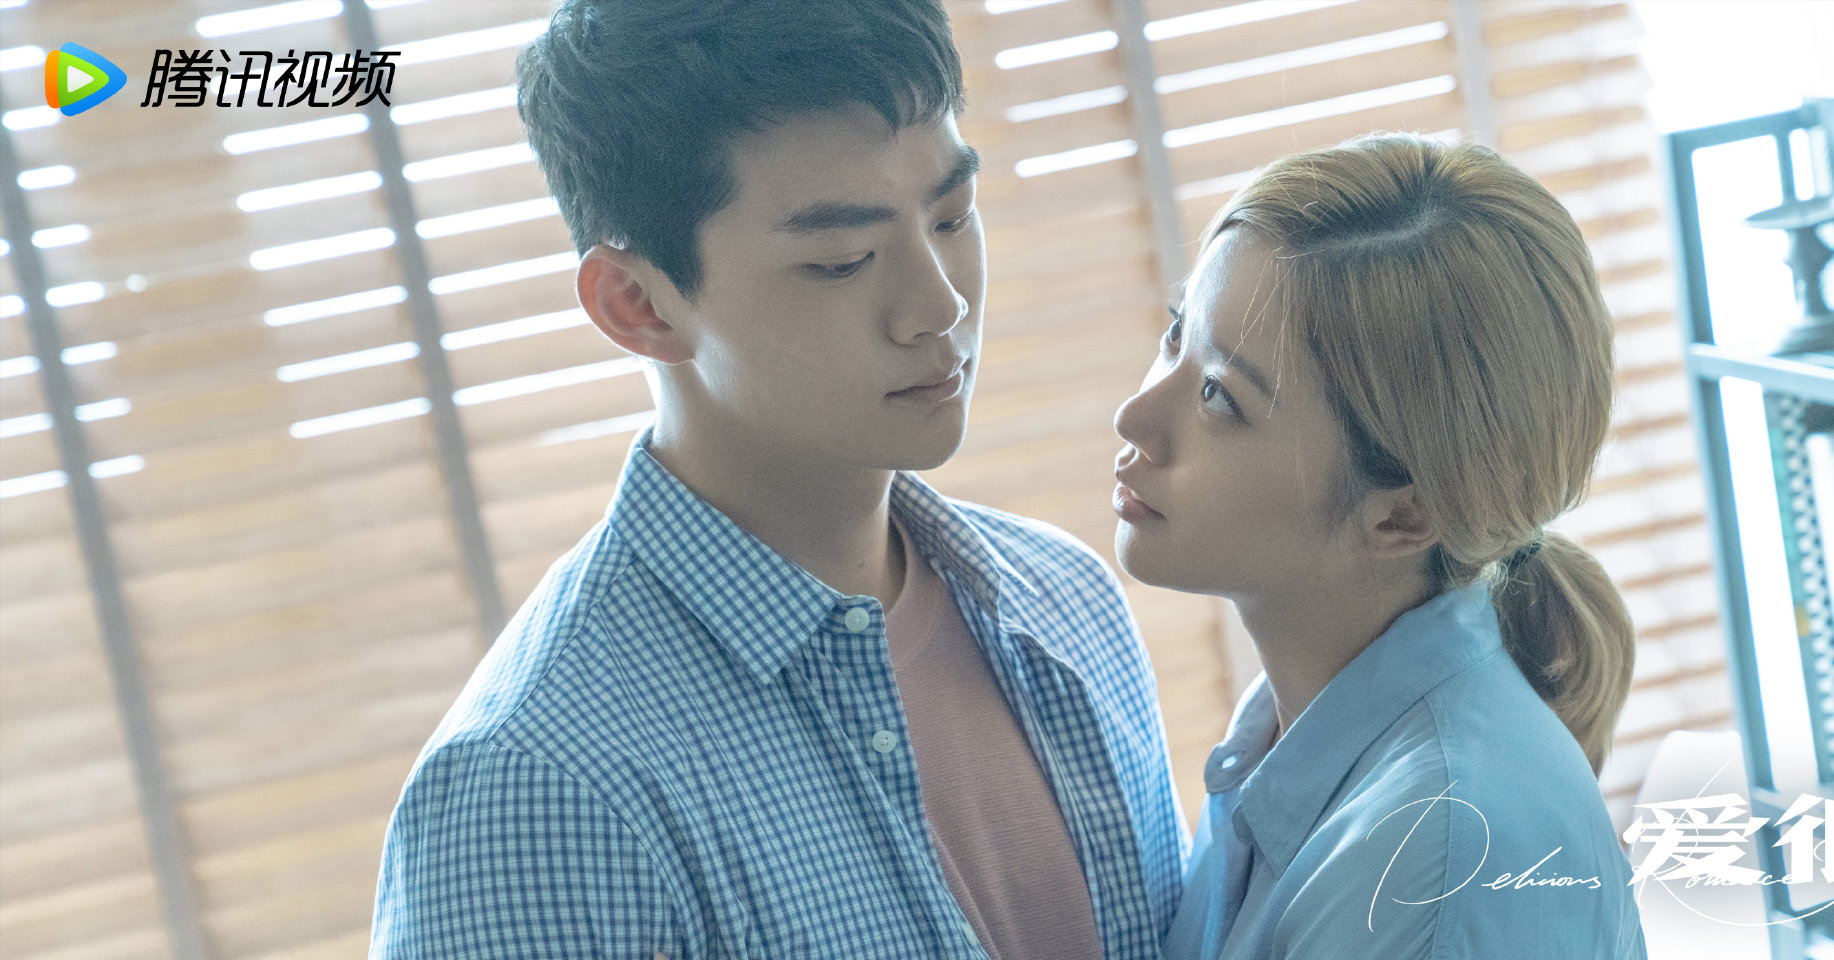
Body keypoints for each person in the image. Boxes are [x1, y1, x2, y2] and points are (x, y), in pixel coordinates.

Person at [368, 1, 1184, 956]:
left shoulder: (1067, 601)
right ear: (638, 304)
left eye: (953, 216)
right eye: (842, 261)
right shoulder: (536, 788)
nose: (939, 305)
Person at [1113, 133, 1649, 960]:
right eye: (1175, 336)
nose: (1136, 417)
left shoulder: (1433, 858)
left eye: (1220, 395)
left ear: (1404, 515)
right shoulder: (1285, 743)